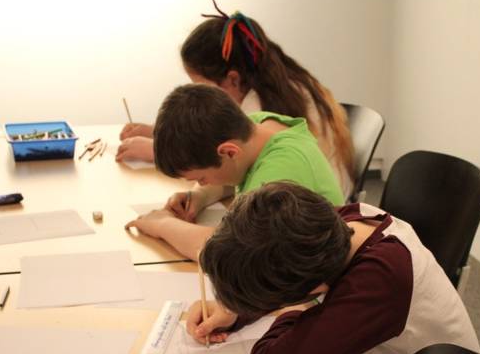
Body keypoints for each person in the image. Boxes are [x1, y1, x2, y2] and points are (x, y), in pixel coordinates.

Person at [182, 181, 480, 354]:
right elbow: (280, 262)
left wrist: (293, 308)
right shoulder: (334, 226)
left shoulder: (380, 279)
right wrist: (236, 310)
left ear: (314, 289)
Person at [117, 0, 355, 196]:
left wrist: (158, 152)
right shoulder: (281, 88)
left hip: (312, 206)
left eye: (202, 86)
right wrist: (159, 135)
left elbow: (228, 166)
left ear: (232, 79)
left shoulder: (259, 110)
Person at [125, 84, 344, 260]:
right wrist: (200, 196)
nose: (202, 183)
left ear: (229, 152)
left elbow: (228, 250)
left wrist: (162, 224)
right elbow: (236, 172)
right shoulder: (255, 127)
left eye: (201, 178)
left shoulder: (280, 173)